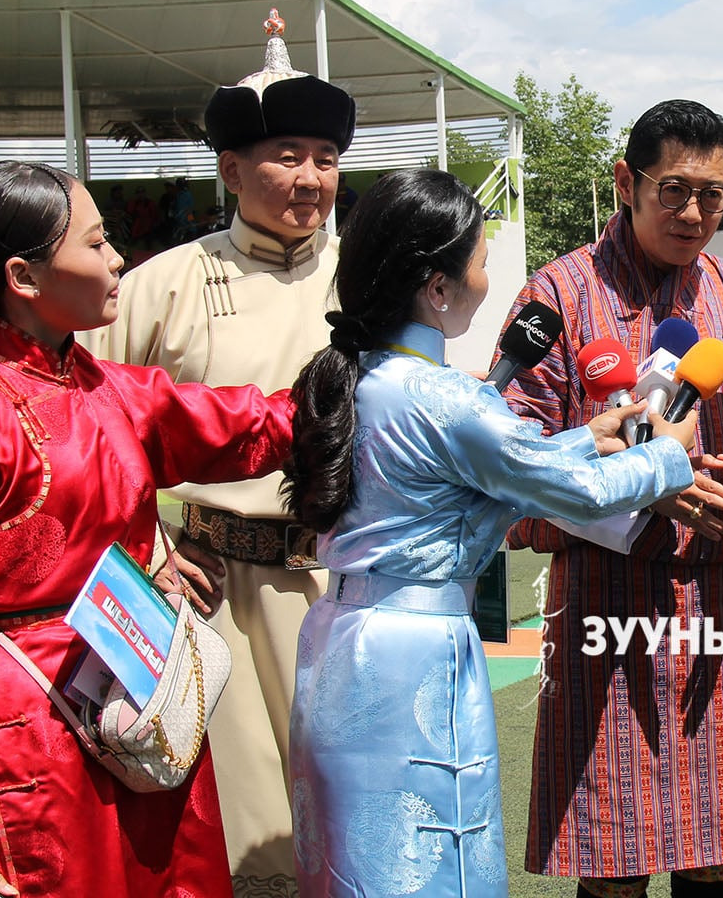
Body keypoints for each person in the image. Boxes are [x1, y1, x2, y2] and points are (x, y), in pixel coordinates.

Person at [0, 160, 296, 898]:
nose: (117, 259)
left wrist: (377, 365)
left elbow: (259, 423)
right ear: (23, 277)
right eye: (96, 245)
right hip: (34, 729)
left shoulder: (112, 390)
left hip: (144, 700)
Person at [284, 168, 698, 898]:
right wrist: (668, 453)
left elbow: (487, 472)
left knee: (351, 867)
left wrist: (581, 435)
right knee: (435, 858)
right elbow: (575, 490)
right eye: (478, 263)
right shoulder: (446, 398)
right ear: (436, 286)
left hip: (338, 640)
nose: (485, 281)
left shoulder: (356, 375)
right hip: (414, 652)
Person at [502, 99, 723, 898]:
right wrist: (645, 497)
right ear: (626, 181)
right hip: (603, 607)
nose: (693, 213)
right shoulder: (559, 294)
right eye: (673, 189)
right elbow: (511, 463)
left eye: (712, 195)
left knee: (719, 856)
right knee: (614, 861)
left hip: (722, 600)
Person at [78, 8, 354, 896]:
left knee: (355, 817)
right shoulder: (158, 284)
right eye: (286, 155)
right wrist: (153, 552)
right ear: (232, 168)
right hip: (211, 595)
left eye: (325, 156)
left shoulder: (374, 278)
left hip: (347, 585)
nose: (309, 178)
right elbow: (91, 432)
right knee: (246, 840)